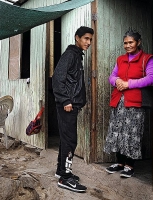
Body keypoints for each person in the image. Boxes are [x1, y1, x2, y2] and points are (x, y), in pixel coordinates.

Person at [104, 30, 153, 178]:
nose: (127, 45)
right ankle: (119, 163)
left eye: (131, 42)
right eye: (125, 43)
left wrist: (128, 84)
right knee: (118, 132)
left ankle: (129, 165)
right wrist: (117, 81)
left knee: (132, 134)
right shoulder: (120, 59)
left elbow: (151, 78)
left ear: (138, 42)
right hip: (119, 101)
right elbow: (112, 76)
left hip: (135, 102)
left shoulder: (147, 59)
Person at [52, 26, 94, 192]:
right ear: (77, 38)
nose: (88, 42)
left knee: (66, 139)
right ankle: (65, 178)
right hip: (67, 105)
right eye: (85, 39)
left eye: (90, 39)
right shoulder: (70, 55)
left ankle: (61, 171)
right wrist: (65, 100)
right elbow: (57, 78)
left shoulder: (77, 55)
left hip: (71, 104)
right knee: (70, 140)